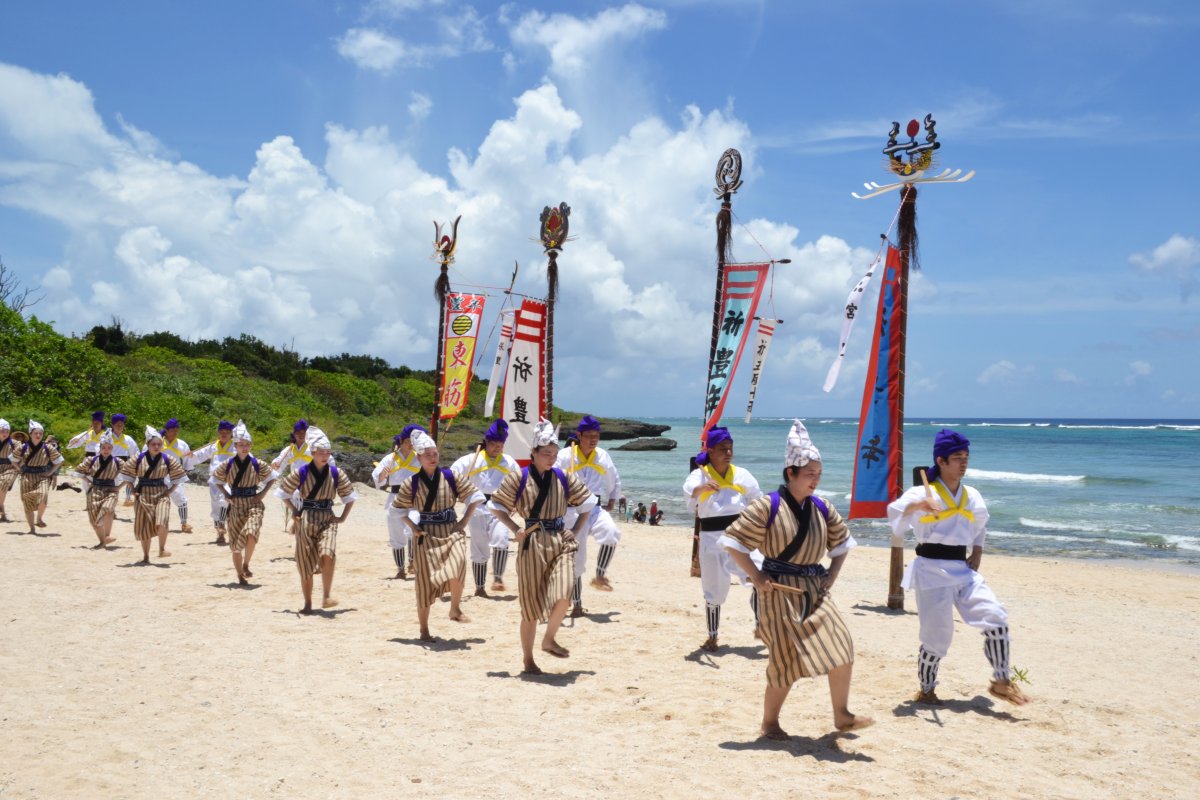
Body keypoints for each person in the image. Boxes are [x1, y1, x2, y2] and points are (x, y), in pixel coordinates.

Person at [722, 419, 872, 738]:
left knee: (841, 645)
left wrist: (833, 572)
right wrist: (757, 575)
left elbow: (842, 542)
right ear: (790, 473)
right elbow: (733, 543)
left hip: (815, 590)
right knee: (786, 660)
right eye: (809, 474)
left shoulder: (822, 507)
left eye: (818, 474)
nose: (815, 480)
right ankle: (770, 722)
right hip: (777, 592)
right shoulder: (768, 506)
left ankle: (842, 715)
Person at [887, 428, 1031, 706]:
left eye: (966, 457)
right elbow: (895, 516)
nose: (963, 463)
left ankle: (1001, 681)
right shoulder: (921, 491)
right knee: (937, 638)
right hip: (930, 570)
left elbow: (980, 525)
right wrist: (919, 504)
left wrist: (977, 550)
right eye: (957, 457)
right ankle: (926, 689)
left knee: (996, 617)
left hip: (963, 570)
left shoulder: (972, 495)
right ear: (941, 461)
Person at [489, 419, 597, 675]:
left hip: (560, 540)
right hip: (532, 543)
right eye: (546, 454)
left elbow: (587, 504)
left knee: (564, 593)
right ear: (534, 453)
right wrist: (515, 529)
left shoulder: (563, 476)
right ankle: (528, 659)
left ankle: (549, 638)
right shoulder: (519, 477)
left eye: (554, 454)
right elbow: (497, 506)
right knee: (530, 607)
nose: (551, 458)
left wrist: (577, 530)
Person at [393, 431, 483, 641]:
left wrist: (463, 521)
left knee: (459, 564)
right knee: (424, 582)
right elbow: (397, 510)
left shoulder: (451, 477)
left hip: (452, 530)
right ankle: (424, 629)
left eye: (435, 454)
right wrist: (413, 528)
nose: (433, 458)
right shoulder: (412, 483)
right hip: (426, 535)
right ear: (419, 458)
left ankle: (455, 608)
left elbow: (475, 497)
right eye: (428, 455)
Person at [683, 427, 763, 652]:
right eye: (722, 449)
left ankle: (761, 625)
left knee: (760, 575)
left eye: (730, 448)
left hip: (740, 535)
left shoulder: (741, 474)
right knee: (714, 590)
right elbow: (689, 499)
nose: (728, 453)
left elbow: (758, 499)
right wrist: (701, 488)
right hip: (711, 538)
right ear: (710, 450)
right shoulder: (698, 475)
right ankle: (712, 636)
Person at [275, 432, 356, 613]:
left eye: (327, 452)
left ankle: (326, 595)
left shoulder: (335, 473)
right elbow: (282, 492)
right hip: (306, 518)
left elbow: (350, 496)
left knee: (328, 553)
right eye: (321, 452)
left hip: (327, 517)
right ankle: (307, 603)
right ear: (312, 452)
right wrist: (295, 511)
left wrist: (342, 517)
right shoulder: (302, 472)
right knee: (304, 562)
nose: (325, 456)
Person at [556, 415, 622, 617]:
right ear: (579, 436)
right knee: (577, 558)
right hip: (571, 511)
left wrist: (613, 497)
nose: (593, 440)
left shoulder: (602, 456)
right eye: (589, 436)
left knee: (611, 534)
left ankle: (600, 575)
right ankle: (576, 603)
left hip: (593, 507)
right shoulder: (565, 456)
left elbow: (613, 478)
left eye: (597, 436)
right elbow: (553, 479)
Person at [451, 419, 519, 596]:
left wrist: (517, 502)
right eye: (494, 443)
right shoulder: (469, 460)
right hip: (476, 507)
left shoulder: (509, 462)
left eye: (501, 444)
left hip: (499, 506)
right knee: (479, 547)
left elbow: (520, 483)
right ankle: (480, 588)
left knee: (502, 539)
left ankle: (497, 578)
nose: (497, 447)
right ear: (486, 442)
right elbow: (452, 476)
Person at [211, 421, 277, 586]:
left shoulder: (257, 463)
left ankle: (246, 564)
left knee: (251, 532)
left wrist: (262, 493)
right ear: (235, 445)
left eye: (247, 444)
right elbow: (215, 479)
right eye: (241, 445)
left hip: (253, 503)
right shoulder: (227, 465)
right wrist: (226, 494)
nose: (244, 447)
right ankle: (240, 574)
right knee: (235, 545)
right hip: (235, 505)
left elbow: (272, 477)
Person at [118, 426, 188, 564]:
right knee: (145, 527)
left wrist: (170, 490)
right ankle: (146, 556)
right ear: (148, 445)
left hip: (161, 494)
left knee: (162, 521)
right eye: (153, 444)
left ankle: (162, 549)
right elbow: (126, 473)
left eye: (159, 444)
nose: (156, 447)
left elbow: (179, 476)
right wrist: (131, 488)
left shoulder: (168, 459)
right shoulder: (138, 458)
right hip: (143, 495)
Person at [371, 425, 423, 578]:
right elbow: (378, 478)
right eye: (408, 441)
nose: (410, 444)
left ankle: (412, 561)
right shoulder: (390, 458)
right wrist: (383, 474)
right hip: (395, 496)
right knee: (396, 533)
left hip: (415, 497)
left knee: (413, 527)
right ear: (401, 441)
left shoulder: (419, 458)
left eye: (413, 442)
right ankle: (400, 569)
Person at [189, 420, 237, 544]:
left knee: (224, 500)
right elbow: (200, 455)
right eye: (221, 432)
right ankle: (219, 532)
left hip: (228, 479)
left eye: (227, 432)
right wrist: (191, 455)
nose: (224, 434)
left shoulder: (236, 446)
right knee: (215, 505)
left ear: (231, 433)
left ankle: (222, 524)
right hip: (214, 479)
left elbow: (245, 457)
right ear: (218, 433)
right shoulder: (213, 446)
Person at [74, 430, 121, 547]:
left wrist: (119, 487)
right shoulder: (91, 460)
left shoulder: (118, 462)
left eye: (109, 448)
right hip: (95, 489)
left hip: (111, 490)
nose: (106, 450)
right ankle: (102, 541)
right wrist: (88, 481)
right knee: (93, 519)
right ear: (99, 448)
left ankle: (107, 535)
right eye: (104, 447)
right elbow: (78, 471)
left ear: (112, 449)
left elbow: (129, 475)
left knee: (108, 509)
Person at [16, 420, 64, 533]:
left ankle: (39, 518)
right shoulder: (23, 447)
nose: (38, 435)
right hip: (27, 476)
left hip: (42, 476)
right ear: (30, 434)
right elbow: (13, 459)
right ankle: (32, 528)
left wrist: (51, 472)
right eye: (36, 433)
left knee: (43, 496)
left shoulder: (48, 448)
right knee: (27, 504)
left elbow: (59, 461)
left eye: (40, 433)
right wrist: (19, 469)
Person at [159, 419, 193, 532]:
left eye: (176, 430)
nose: (175, 432)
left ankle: (184, 523)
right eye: (172, 430)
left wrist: (184, 473)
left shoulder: (182, 445)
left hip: (176, 474)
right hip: (159, 474)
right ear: (166, 431)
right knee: (157, 499)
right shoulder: (157, 442)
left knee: (181, 499)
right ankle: (156, 523)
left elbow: (188, 462)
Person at [107, 414, 140, 507]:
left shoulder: (128, 439)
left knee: (129, 480)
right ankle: (111, 504)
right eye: (117, 425)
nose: (119, 427)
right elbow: (100, 449)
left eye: (121, 425)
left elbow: (135, 452)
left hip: (125, 464)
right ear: (112, 425)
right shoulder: (107, 437)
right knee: (114, 484)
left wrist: (136, 463)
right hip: (111, 463)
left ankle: (128, 498)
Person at [0, 419, 18, 522]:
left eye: (7, 431)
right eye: (2, 431)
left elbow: (24, 452)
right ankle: (3, 514)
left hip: (10, 468)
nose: (5, 433)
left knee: (3, 484)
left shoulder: (14, 443)